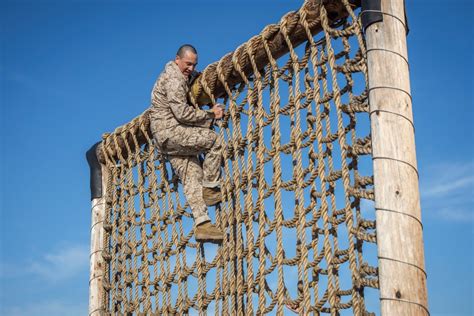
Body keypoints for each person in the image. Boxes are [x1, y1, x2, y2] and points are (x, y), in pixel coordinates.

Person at [149, 44, 224, 243]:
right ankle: (211, 187)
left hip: (165, 139)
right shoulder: (174, 78)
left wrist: (196, 77)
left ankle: (203, 224)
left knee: (192, 175)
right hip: (171, 132)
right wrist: (210, 115)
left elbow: (191, 79)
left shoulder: (179, 75)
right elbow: (181, 113)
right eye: (188, 64)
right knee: (213, 141)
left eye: (194, 65)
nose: (190, 68)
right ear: (177, 59)